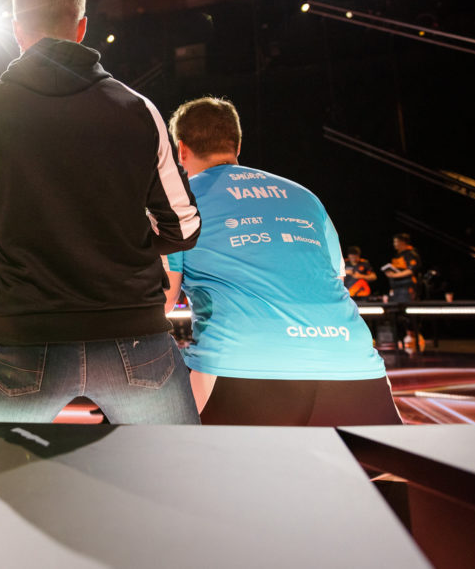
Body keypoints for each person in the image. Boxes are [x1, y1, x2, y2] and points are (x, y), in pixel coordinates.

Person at [0, 0, 202, 424]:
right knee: (177, 481)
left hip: (24, 339)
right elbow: (185, 227)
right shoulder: (138, 109)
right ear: (81, 27)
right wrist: (127, 242)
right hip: (133, 336)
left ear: (17, 30)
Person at [162, 96, 400, 426]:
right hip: (356, 372)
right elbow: (335, 275)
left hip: (241, 379)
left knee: (185, 468)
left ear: (181, 150)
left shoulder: (177, 202)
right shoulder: (305, 197)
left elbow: (162, 299)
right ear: (237, 145)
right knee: (376, 478)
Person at [384, 233, 421, 302]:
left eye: (396, 241)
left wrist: (394, 275)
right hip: (396, 287)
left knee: (404, 306)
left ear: (402, 242)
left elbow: (411, 270)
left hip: (406, 286)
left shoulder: (410, 254)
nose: (394, 244)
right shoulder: (397, 255)